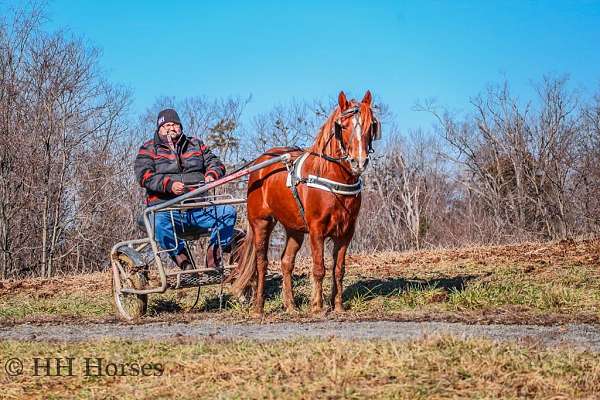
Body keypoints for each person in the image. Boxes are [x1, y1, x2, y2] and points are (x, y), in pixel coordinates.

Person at [134, 108, 237, 270]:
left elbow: (216, 163)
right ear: (159, 128)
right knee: (158, 222)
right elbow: (144, 175)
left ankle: (213, 257)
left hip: (198, 208)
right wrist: (169, 185)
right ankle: (183, 261)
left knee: (228, 212)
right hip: (165, 209)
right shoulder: (148, 148)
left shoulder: (195, 144)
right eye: (166, 125)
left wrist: (211, 175)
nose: (171, 128)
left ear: (181, 127)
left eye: (175, 124)